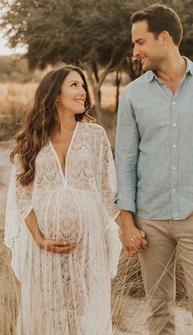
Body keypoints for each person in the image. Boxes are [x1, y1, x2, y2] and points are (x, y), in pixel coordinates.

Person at [115, 3, 193, 335]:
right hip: (150, 222)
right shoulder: (133, 96)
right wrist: (127, 221)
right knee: (158, 314)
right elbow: (124, 160)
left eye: (140, 42)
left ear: (164, 38)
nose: (135, 50)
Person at [4, 64, 121, 335]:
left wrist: (124, 230)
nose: (83, 92)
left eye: (82, 85)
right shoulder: (32, 139)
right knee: (46, 310)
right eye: (74, 85)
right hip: (43, 246)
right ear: (55, 95)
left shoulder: (95, 136)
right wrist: (39, 238)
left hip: (88, 243)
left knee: (83, 309)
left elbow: (107, 190)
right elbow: (22, 195)